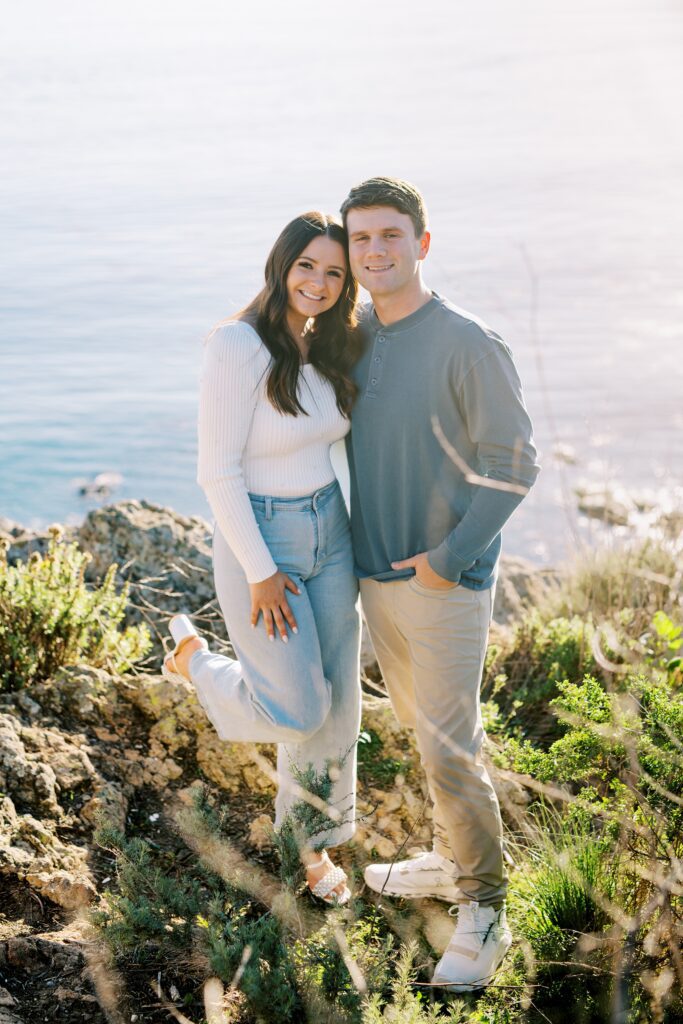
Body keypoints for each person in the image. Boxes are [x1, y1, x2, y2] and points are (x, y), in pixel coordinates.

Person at [340, 177, 540, 987]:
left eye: (390, 236)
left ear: (421, 243)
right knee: (423, 733)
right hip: (373, 578)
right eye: (360, 239)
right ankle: (449, 859)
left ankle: (484, 910)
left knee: (453, 751)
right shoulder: (353, 333)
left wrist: (448, 558)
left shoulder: (468, 341)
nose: (375, 251)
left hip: (442, 584)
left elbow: (514, 464)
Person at [162, 212, 363, 905]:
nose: (319, 282)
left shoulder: (331, 346)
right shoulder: (235, 344)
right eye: (307, 265)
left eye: (334, 273)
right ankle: (196, 664)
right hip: (264, 541)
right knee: (298, 708)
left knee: (338, 711)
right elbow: (216, 471)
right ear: (281, 264)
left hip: (330, 533)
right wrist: (259, 571)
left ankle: (312, 848)